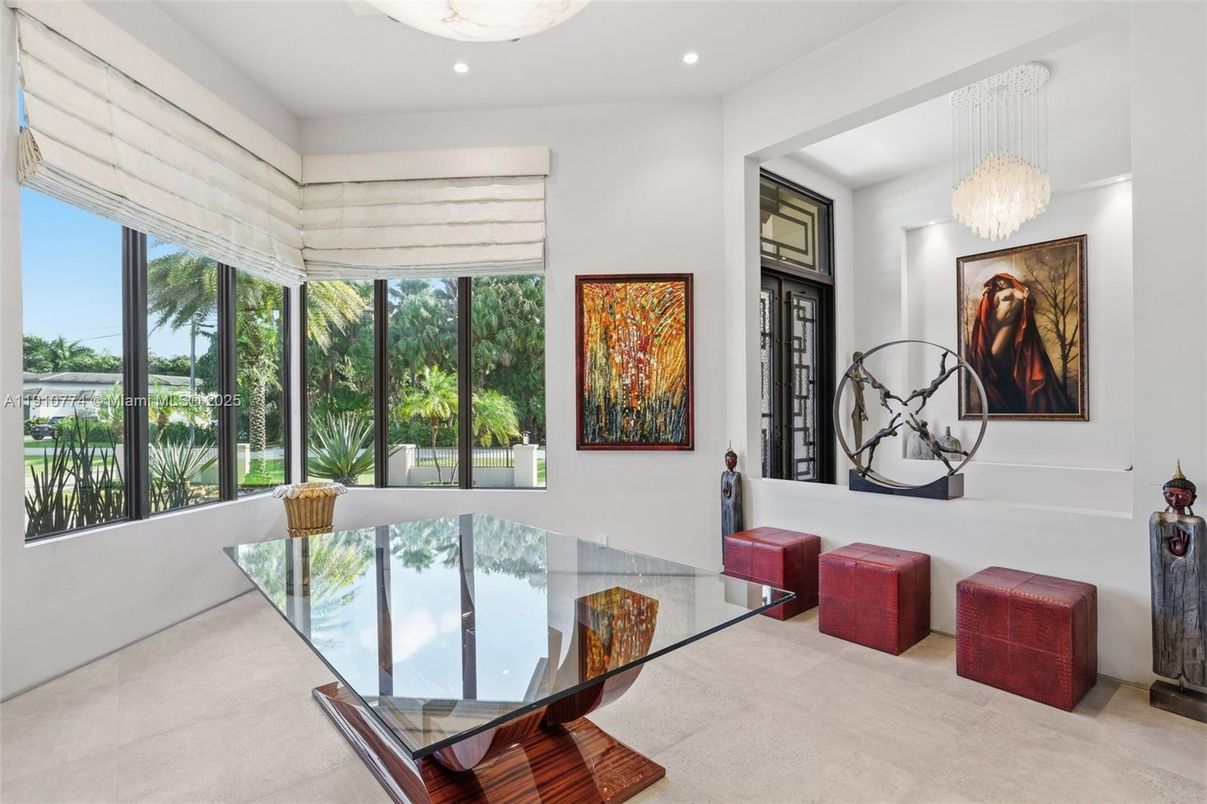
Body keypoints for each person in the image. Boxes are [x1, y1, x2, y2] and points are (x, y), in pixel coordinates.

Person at [966, 272, 1072, 414]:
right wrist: (985, 295)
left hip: (1009, 326)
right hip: (997, 327)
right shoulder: (998, 293)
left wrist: (1029, 297)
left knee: (996, 352)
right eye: (997, 282)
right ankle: (1005, 380)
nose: (1000, 283)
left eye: (1001, 280)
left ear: (1009, 279)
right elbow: (989, 309)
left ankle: (1010, 379)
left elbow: (1031, 304)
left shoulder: (1021, 292)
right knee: (993, 353)